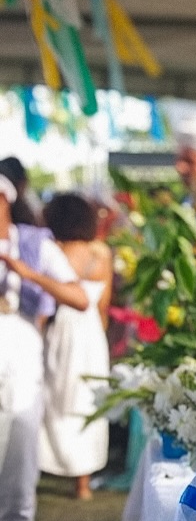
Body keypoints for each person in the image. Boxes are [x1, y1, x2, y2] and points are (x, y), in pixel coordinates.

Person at [0, 175, 87, 521]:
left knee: (18, 471)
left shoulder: (34, 243)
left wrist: (24, 272)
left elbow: (78, 297)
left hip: (20, 362)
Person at [38, 194, 112, 500]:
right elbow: (105, 304)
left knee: (55, 394)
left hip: (64, 328)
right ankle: (83, 484)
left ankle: (44, 466)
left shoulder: (54, 252)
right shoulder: (102, 254)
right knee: (88, 399)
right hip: (92, 330)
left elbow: (47, 300)